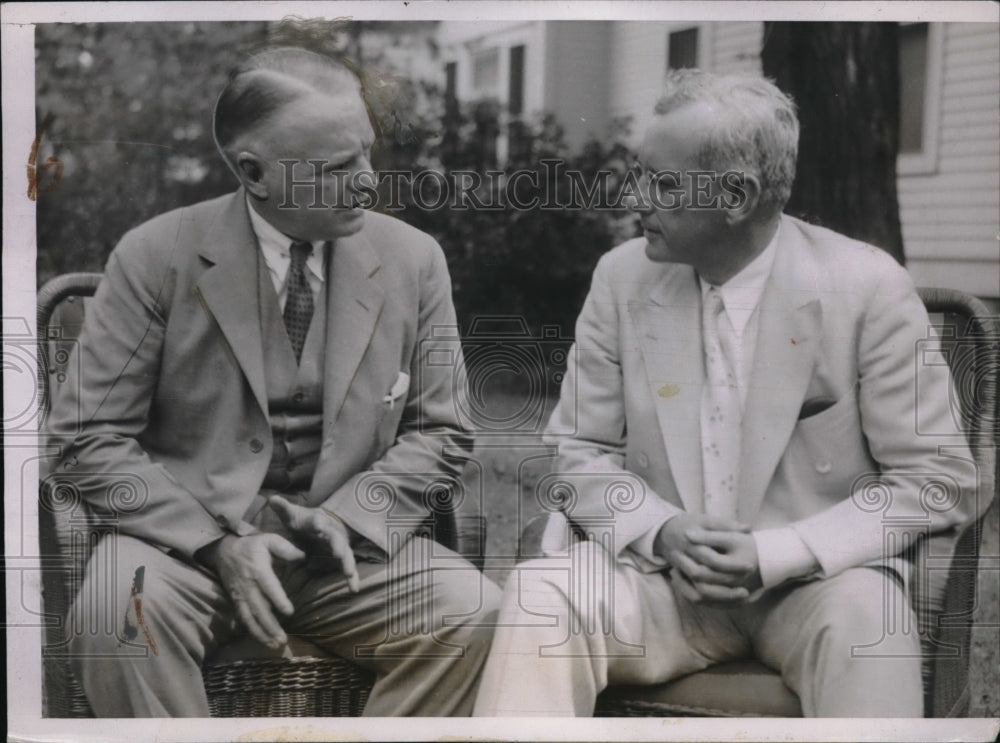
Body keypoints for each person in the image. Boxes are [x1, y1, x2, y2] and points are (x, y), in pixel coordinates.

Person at [473, 69, 984, 717]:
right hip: (659, 581)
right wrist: (662, 530)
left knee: (871, 625)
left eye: (661, 183)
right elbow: (578, 452)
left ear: (735, 196)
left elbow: (937, 479)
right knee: (541, 595)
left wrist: (778, 552)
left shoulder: (866, 285)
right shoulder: (621, 278)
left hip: (817, 585)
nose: (635, 197)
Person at [48, 47, 500, 717]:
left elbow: (443, 429)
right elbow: (86, 438)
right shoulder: (155, 256)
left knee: (476, 613)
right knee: (120, 616)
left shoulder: (413, 260)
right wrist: (217, 545)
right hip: (181, 553)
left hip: (349, 554)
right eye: (336, 169)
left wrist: (346, 518)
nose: (368, 183)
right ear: (254, 173)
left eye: (366, 153)